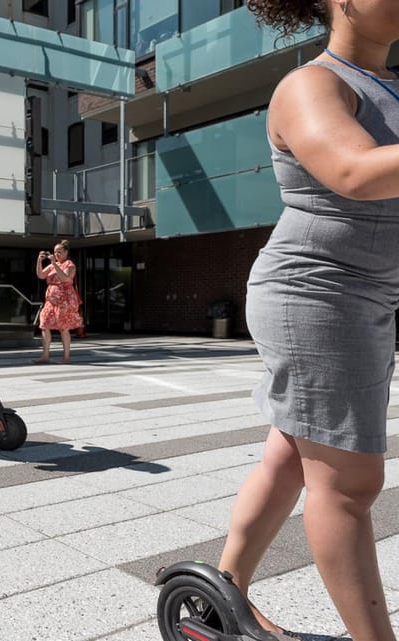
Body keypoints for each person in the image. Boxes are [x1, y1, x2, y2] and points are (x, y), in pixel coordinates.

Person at [217, 2, 399, 640]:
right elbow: (352, 171)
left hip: (367, 296)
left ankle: (224, 592)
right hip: (317, 293)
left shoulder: (390, 87)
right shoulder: (312, 84)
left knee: (292, 457)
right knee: (349, 482)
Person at [33, 240, 84, 364]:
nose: (57, 254)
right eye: (55, 252)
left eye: (59, 252)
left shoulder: (69, 265)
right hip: (50, 301)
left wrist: (54, 264)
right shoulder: (52, 265)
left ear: (66, 252)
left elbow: (65, 278)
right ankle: (45, 355)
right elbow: (41, 275)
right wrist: (39, 261)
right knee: (44, 324)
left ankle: (66, 357)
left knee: (63, 327)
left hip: (64, 301)